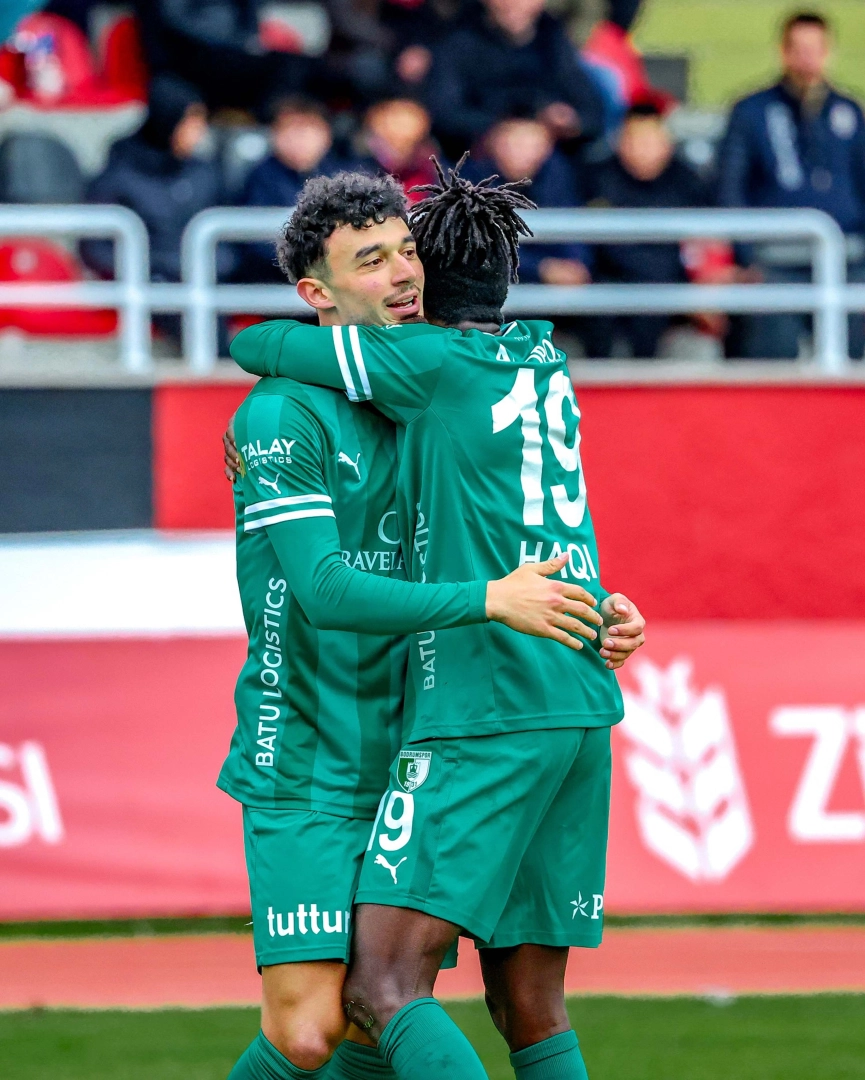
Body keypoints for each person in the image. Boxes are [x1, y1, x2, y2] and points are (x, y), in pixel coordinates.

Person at [222, 171, 643, 1080]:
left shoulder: (420, 387)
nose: (403, 273)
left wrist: (595, 606)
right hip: (310, 750)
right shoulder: (284, 410)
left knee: (382, 1013)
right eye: (371, 260)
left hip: (419, 734)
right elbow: (326, 590)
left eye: (407, 250)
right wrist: (494, 599)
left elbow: (505, 524)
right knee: (313, 1030)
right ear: (317, 292)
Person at [718, 10, 865, 359]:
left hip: (848, 257)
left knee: (852, 359)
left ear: (828, 52)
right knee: (773, 359)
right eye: (798, 49)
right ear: (783, 52)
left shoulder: (849, 111)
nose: (807, 60)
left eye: (815, 49)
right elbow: (730, 188)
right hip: (774, 261)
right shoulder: (752, 111)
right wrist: (745, 255)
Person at [81, 74, 228, 341]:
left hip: (208, 281)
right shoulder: (120, 174)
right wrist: (151, 270)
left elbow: (231, 237)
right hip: (152, 286)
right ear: (168, 121)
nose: (199, 131)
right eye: (191, 122)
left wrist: (214, 266)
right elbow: (94, 247)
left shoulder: (205, 173)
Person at [584, 101, 709, 358]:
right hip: (607, 286)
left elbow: (704, 245)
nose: (643, 148)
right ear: (620, 141)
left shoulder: (688, 182)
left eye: (651, 139)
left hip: (672, 289)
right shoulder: (595, 179)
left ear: (667, 143)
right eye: (634, 139)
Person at [426, 0, 604, 157]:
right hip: (476, 158)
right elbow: (444, 114)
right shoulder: (458, 40)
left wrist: (568, 122)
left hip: (549, 158)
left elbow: (592, 113)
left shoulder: (553, 39)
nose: (513, 4)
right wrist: (504, 128)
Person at [133, 0, 314, 118]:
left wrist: (249, 39)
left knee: (305, 67)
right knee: (290, 67)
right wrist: (240, 42)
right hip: (186, 62)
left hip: (229, 54)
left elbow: (251, 16)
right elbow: (176, 21)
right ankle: (271, 127)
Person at [466, 116, 591, 285]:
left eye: (535, 145)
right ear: (494, 142)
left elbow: (572, 228)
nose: (524, 154)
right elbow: (477, 248)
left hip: (552, 287)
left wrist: (575, 264)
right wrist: (541, 267)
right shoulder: (469, 180)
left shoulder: (557, 174)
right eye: (517, 144)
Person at [240, 98, 351, 282]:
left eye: (306, 130)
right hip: (273, 282)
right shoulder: (260, 177)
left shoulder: (345, 177)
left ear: (326, 134)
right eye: (288, 129)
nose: (298, 139)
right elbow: (256, 244)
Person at [360, 98, 439, 202]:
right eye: (392, 140)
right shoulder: (358, 175)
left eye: (407, 142)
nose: (399, 146)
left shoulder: (434, 175)